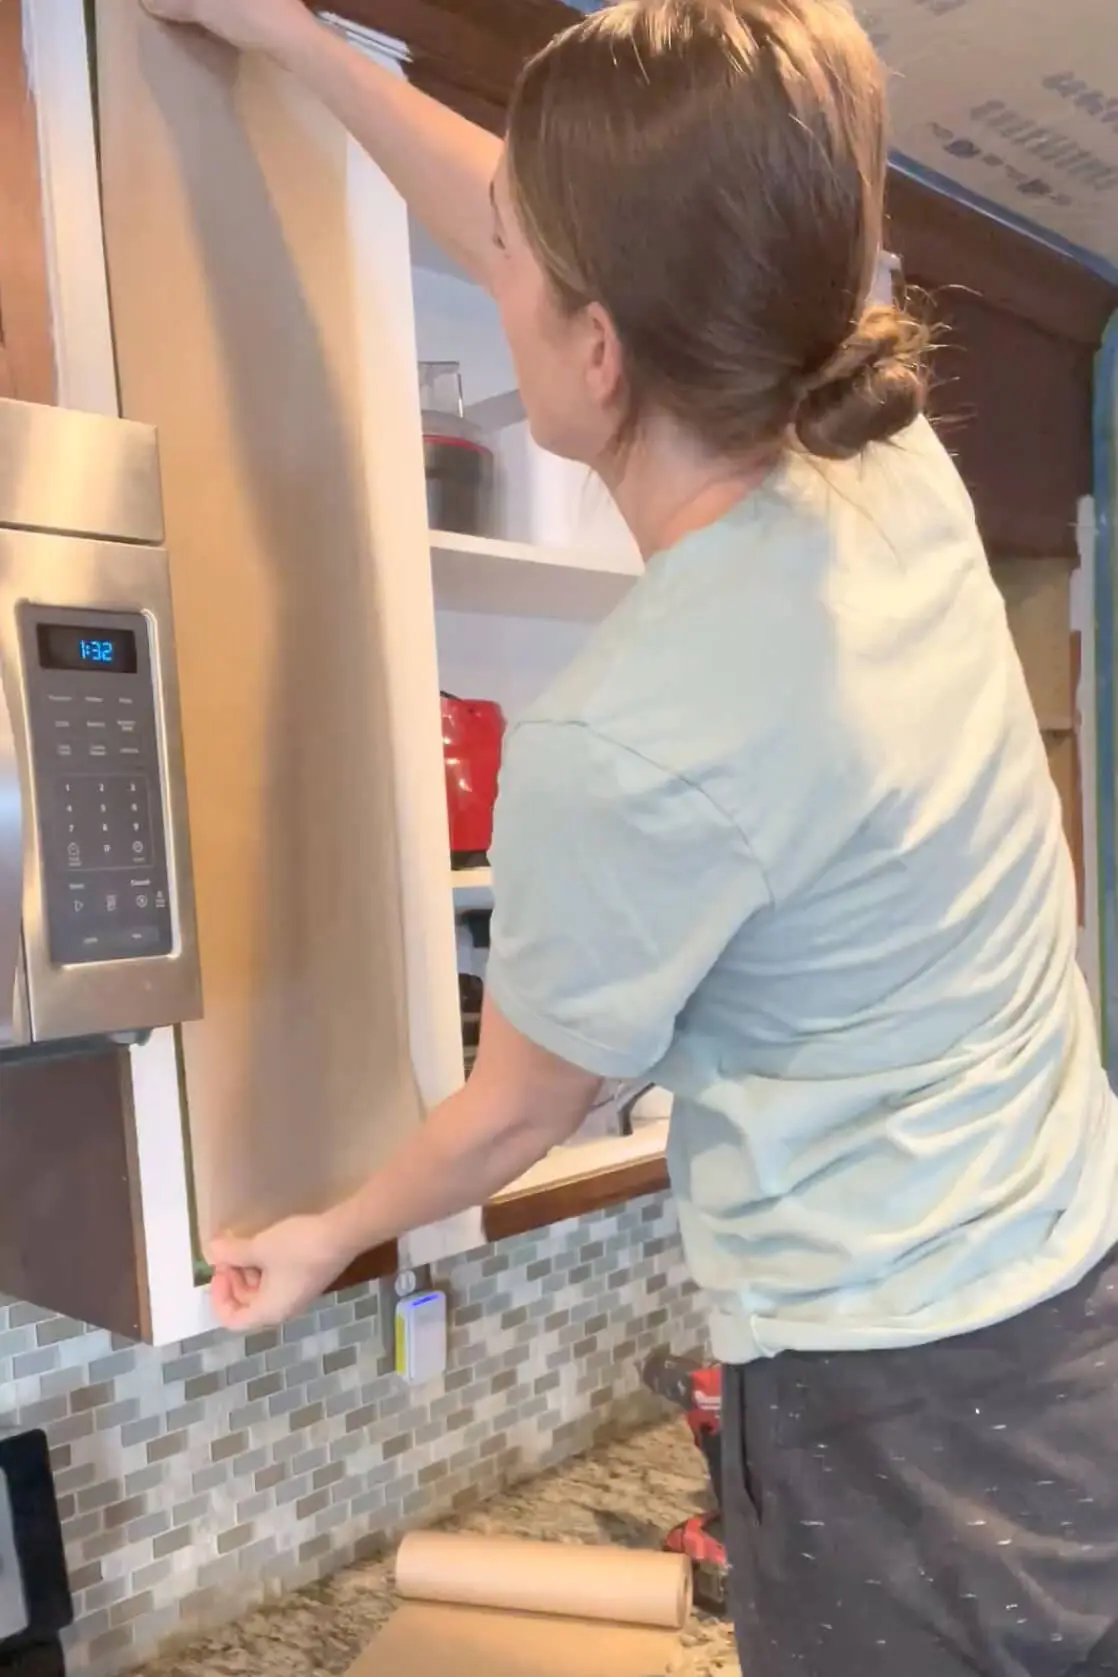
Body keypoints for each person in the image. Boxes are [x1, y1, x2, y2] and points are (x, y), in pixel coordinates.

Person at [141, 0, 1118, 1671]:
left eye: (515, 256)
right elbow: (552, 226)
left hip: (892, 1401)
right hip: (1073, 1294)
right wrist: (305, 51)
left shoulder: (628, 730)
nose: (491, 250)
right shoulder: (887, 464)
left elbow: (517, 1109)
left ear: (596, 349)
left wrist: (321, 1232)